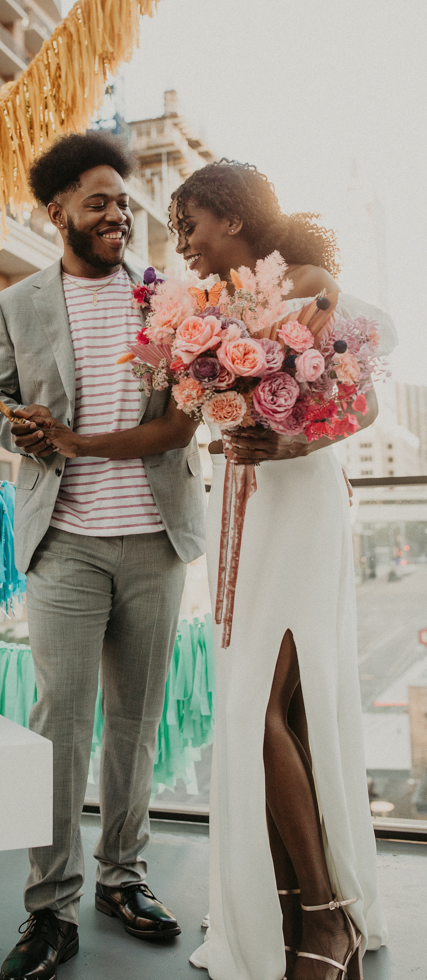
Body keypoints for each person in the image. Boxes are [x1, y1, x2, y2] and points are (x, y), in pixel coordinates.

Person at [46, 161, 397, 980]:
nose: (186, 245)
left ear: (235, 219)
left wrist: (290, 441)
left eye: (193, 225)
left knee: (255, 707)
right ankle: (282, 898)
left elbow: (361, 401)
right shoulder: (216, 305)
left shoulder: (306, 282)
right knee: (281, 707)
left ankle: (326, 912)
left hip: (295, 501)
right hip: (242, 498)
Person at [0, 131, 207, 980]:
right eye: (99, 201)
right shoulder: (18, 304)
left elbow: (189, 414)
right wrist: (24, 433)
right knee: (60, 728)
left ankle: (123, 878)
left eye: (123, 203)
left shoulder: (166, 299)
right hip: (63, 543)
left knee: (135, 729)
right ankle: (49, 909)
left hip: (157, 540)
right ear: (57, 211)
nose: (118, 216)